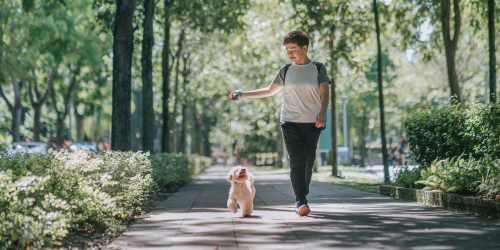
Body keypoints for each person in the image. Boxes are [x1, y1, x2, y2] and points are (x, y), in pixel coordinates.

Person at [228, 31, 330, 216]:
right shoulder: (285, 71)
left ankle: (302, 193)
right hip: (289, 121)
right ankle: (301, 201)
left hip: (312, 122)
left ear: (305, 47)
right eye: (287, 50)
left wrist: (322, 113)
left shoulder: (318, 68)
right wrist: (242, 94)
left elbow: (325, 93)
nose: (290, 53)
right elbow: (268, 91)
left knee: (308, 160)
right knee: (296, 161)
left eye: (293, 49)